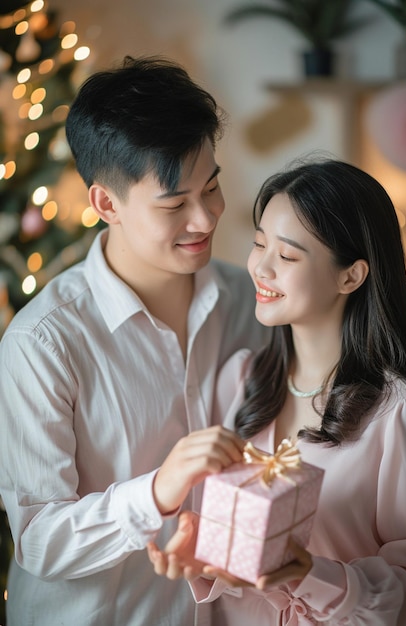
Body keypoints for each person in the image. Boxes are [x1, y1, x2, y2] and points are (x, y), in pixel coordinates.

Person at [0, 55, 270, 626]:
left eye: (213, 187)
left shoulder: (249, 301)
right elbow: (39, 540)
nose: (204, 218)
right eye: (174, 204)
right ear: (105, 205)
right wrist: (157, 492)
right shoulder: (43, 343)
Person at [147, 159, 406, 624]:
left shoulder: (398, 414)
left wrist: (309, 573)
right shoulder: (241, 379)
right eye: (258, 245)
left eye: (287, 256)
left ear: (350, 276)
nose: (261, 268)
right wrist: (202, 553)